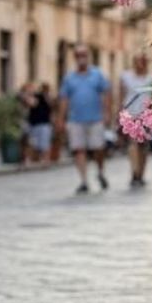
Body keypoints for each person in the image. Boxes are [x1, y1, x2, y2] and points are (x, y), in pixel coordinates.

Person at [56, 44, 111, 194]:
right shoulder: (69, 78)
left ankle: (100, 172)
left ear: (88, 56)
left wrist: (107, 113)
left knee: (98, 148)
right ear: (75, 57)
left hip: (96, 118)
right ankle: (84, 181)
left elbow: (106, 93)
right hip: (75, 119)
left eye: (84, 55)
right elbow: (64, 99)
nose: (81, 58)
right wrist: (61, 119)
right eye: (78, 55)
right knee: (78, 149)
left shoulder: (97, 74)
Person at [119, 50, 152, 187]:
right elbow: (121, 95)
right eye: (138, 60)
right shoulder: (126, 76)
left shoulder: (150, 79)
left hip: (145, 116)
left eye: (143, 60)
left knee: (143, 146)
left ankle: (141, 174)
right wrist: (120, 113)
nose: (140, 63)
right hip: (130, 114)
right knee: (133, 143)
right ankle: (134, 171)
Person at [24, 81, 53, 164]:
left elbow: (33, 104)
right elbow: (31, 104)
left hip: (43, 123)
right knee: (33, 143)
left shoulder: (43, 97)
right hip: (34, 124)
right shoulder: (36, 96)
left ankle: (45, 161)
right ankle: (31, 160)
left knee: (44, 144)